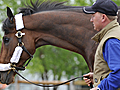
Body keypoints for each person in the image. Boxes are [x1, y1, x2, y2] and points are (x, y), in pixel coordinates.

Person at [82, 0, 120, 90]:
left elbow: (119, 73)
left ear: (103, 17)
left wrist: (100, 88)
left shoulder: (111, 40)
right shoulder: (116, 33)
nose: (91, 20)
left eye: (93, 16)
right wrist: (97, 77)